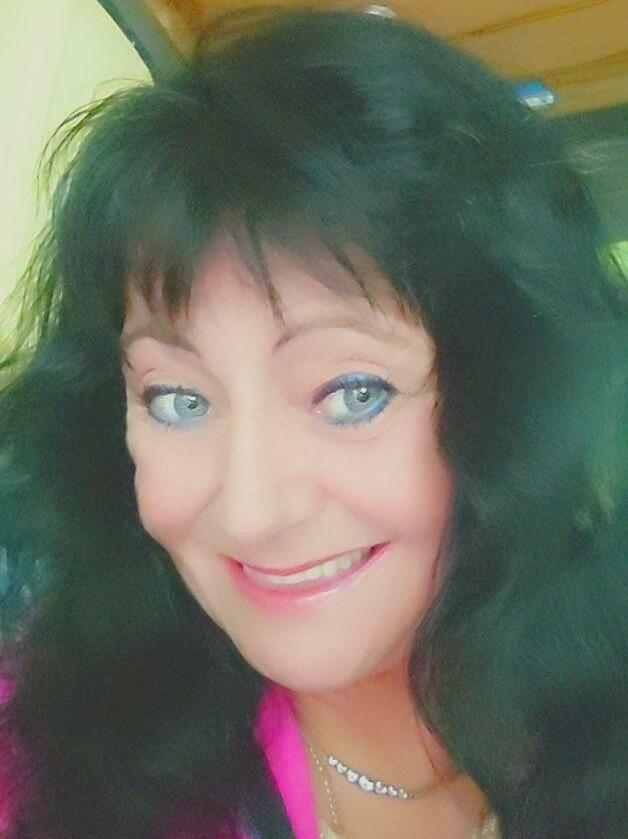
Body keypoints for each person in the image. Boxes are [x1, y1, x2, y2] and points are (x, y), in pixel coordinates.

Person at [0, 7, 626, 839]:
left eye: (353, 392)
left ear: (516, 397)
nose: (251, 512)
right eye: (179, 400)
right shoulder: (46, 752)